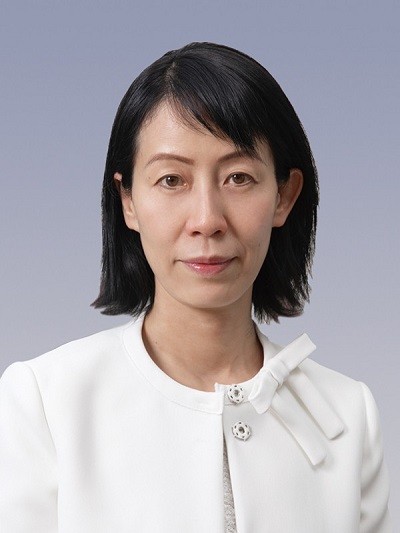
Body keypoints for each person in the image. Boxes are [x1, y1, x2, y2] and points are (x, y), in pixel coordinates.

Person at [0, 42, 392, 532]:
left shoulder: (349, 415)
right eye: (171, 180)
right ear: (128, 201)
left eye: (239, 177)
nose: (207, 219)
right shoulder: (44, 402)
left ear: (284, 196)